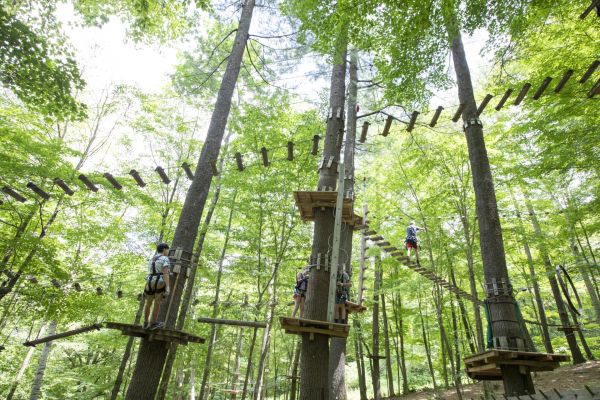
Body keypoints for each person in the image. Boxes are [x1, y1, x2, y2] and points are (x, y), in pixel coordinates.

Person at [143, 243, 171, 330]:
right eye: (167, 249)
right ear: (164, 249)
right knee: (157, 303)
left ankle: (145, 322)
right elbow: (165, 272)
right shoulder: (165, 258)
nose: (168, 251)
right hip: (159, 282)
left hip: (149, 281)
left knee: (148, 303)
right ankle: (153, 323)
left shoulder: (152, 258)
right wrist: (167, 286)